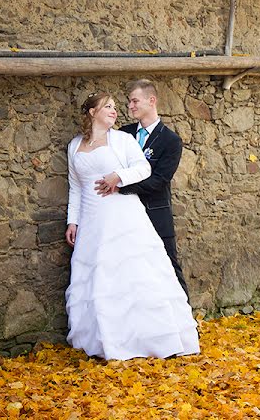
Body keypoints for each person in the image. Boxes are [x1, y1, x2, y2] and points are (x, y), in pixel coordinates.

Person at [64, 91, 199, 360]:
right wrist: (73, 220)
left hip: (121, 214)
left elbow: (143, 169)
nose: (116, 111)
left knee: (135, 274)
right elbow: (75, 187)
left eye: (117, 106)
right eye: (108, 106)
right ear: (92, 113)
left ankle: (148, 338)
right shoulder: (75, 145)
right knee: (98, 279)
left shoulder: (123, 140)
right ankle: (104, 340)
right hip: (91, 220)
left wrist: (118, 176)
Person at [95, 79, 188, 295]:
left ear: (151, 100)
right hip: (123, 214)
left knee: (169, 268)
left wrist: (120, 187)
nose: (130, 106)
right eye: (129, 102)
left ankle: (186, 326)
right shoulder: (122, 134)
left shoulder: (171, 141)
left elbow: (159, 180)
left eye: (135, 101)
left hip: (154, 212)